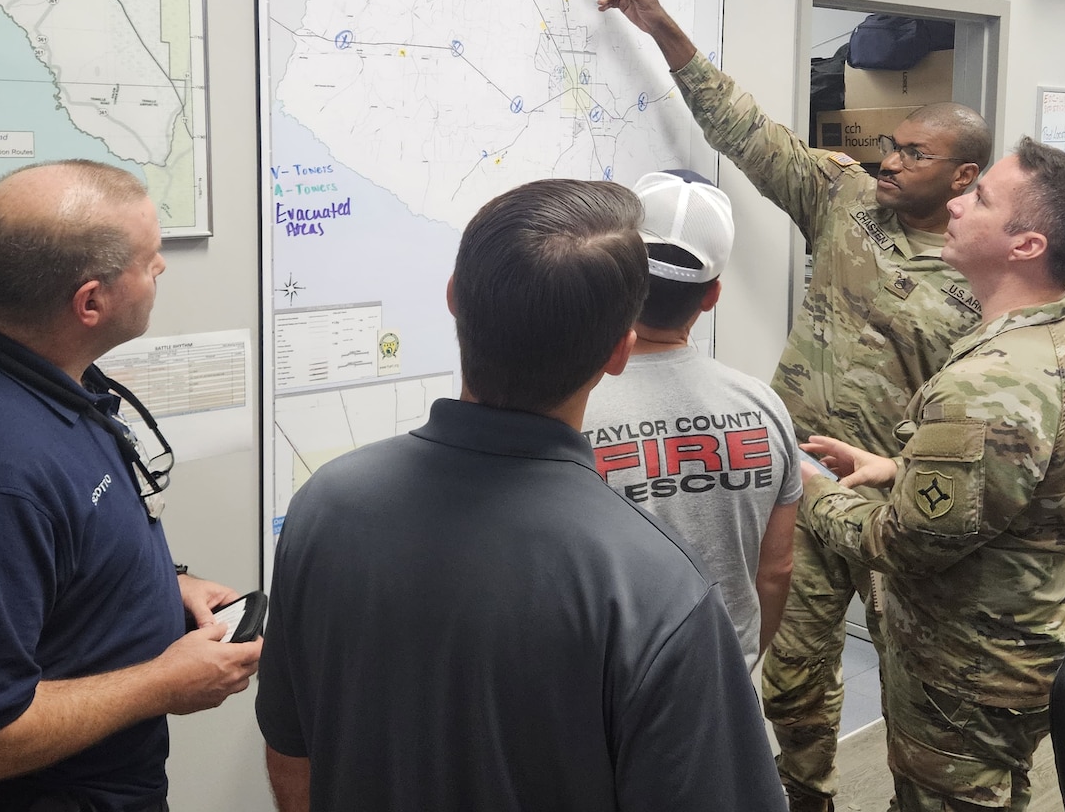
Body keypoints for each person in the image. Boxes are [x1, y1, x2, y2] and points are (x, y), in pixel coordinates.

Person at [592, 0, 992, 812]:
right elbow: (744, 128)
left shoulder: (982, 270)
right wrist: (660, 26)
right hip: (804, 487)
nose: (889, 162)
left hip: (899, 504)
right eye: (891, 145)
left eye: (914, 154)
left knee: (920, 700)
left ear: (963, 178)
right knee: (793, 685)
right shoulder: (845, 198)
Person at [257, 178, 787, 812]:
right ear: (620, 349)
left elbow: (291, 756)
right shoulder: (654, 585)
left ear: (454, 301)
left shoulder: (324, 507)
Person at [0, 160, 262, 812]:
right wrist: (165, 683)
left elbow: (56, 539)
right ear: (91, 301)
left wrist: (166, 588)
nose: (160, 269)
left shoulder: (32, 366)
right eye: (149, 259)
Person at [800, 138, 1065, 810]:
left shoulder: (986, 384)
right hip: (1026, 648)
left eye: (980, 198)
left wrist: (811, 494)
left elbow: (902, 547)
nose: (955, 203)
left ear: (1025, 244)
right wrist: (897, 467)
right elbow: (1031, 484)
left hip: (964, 674)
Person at [582, 168, 800, 669]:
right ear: (712, 295)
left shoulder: (571, 405)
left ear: (620, 273)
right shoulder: (763, 406)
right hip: (721, 674)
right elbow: (776, 570)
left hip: (609, 682)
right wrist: (746, 654)